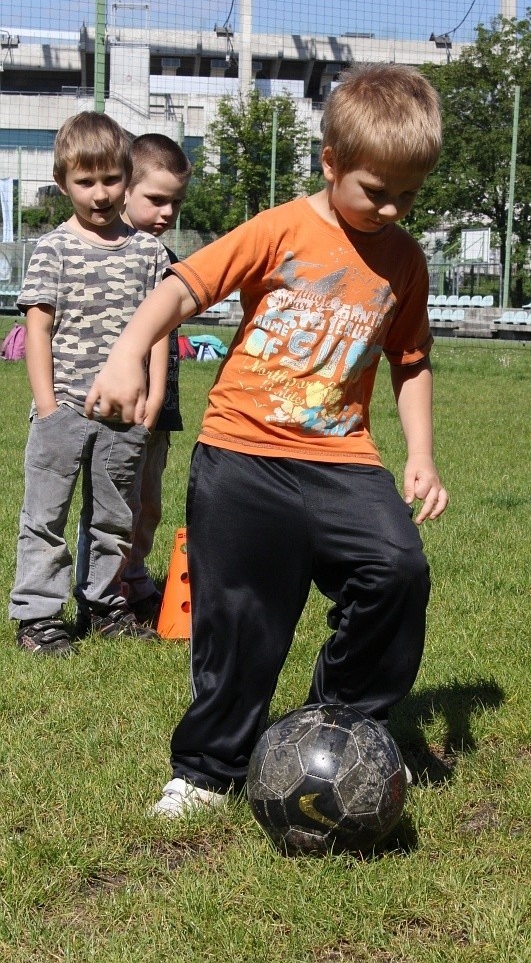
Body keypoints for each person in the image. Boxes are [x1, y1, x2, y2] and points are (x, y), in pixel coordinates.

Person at [85, 63, 449, 816]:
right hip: (243, 455)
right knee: (241, 621)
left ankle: (343, 727)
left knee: (396, 571)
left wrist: (420, 456)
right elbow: (182, 288)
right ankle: (206, 771)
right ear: (330, 164)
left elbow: (409, 360)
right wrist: (127, 353)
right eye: (374, 191)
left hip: (342, 458)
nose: (390, 207)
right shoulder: (281, 229)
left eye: (407, 194)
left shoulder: (403, 259)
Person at [10, 112, 169, 654]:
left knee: (113, 520)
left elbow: (159, 330)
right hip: (65, 410)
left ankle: (105, 604)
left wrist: (154, 396)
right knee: (45, 517)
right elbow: (39, 329)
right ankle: (38, 617)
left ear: (127, 177)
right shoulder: (53, 248)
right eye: (85, 182)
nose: (99, 194)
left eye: (111, 180)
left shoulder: (150, 252)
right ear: (62, 183)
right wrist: (48, 408)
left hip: (125, 413)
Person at [119, 134, 192, 625]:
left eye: (176, 203)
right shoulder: (109, 253)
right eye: (156, 199)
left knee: (148, 499)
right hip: (117, 400)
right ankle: (106, 587)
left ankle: (136, 576)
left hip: (157, 405)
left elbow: (166, 334)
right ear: (125, 188)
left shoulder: (165, 260)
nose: (167, 212)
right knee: (112, 501)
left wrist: (159, 393)